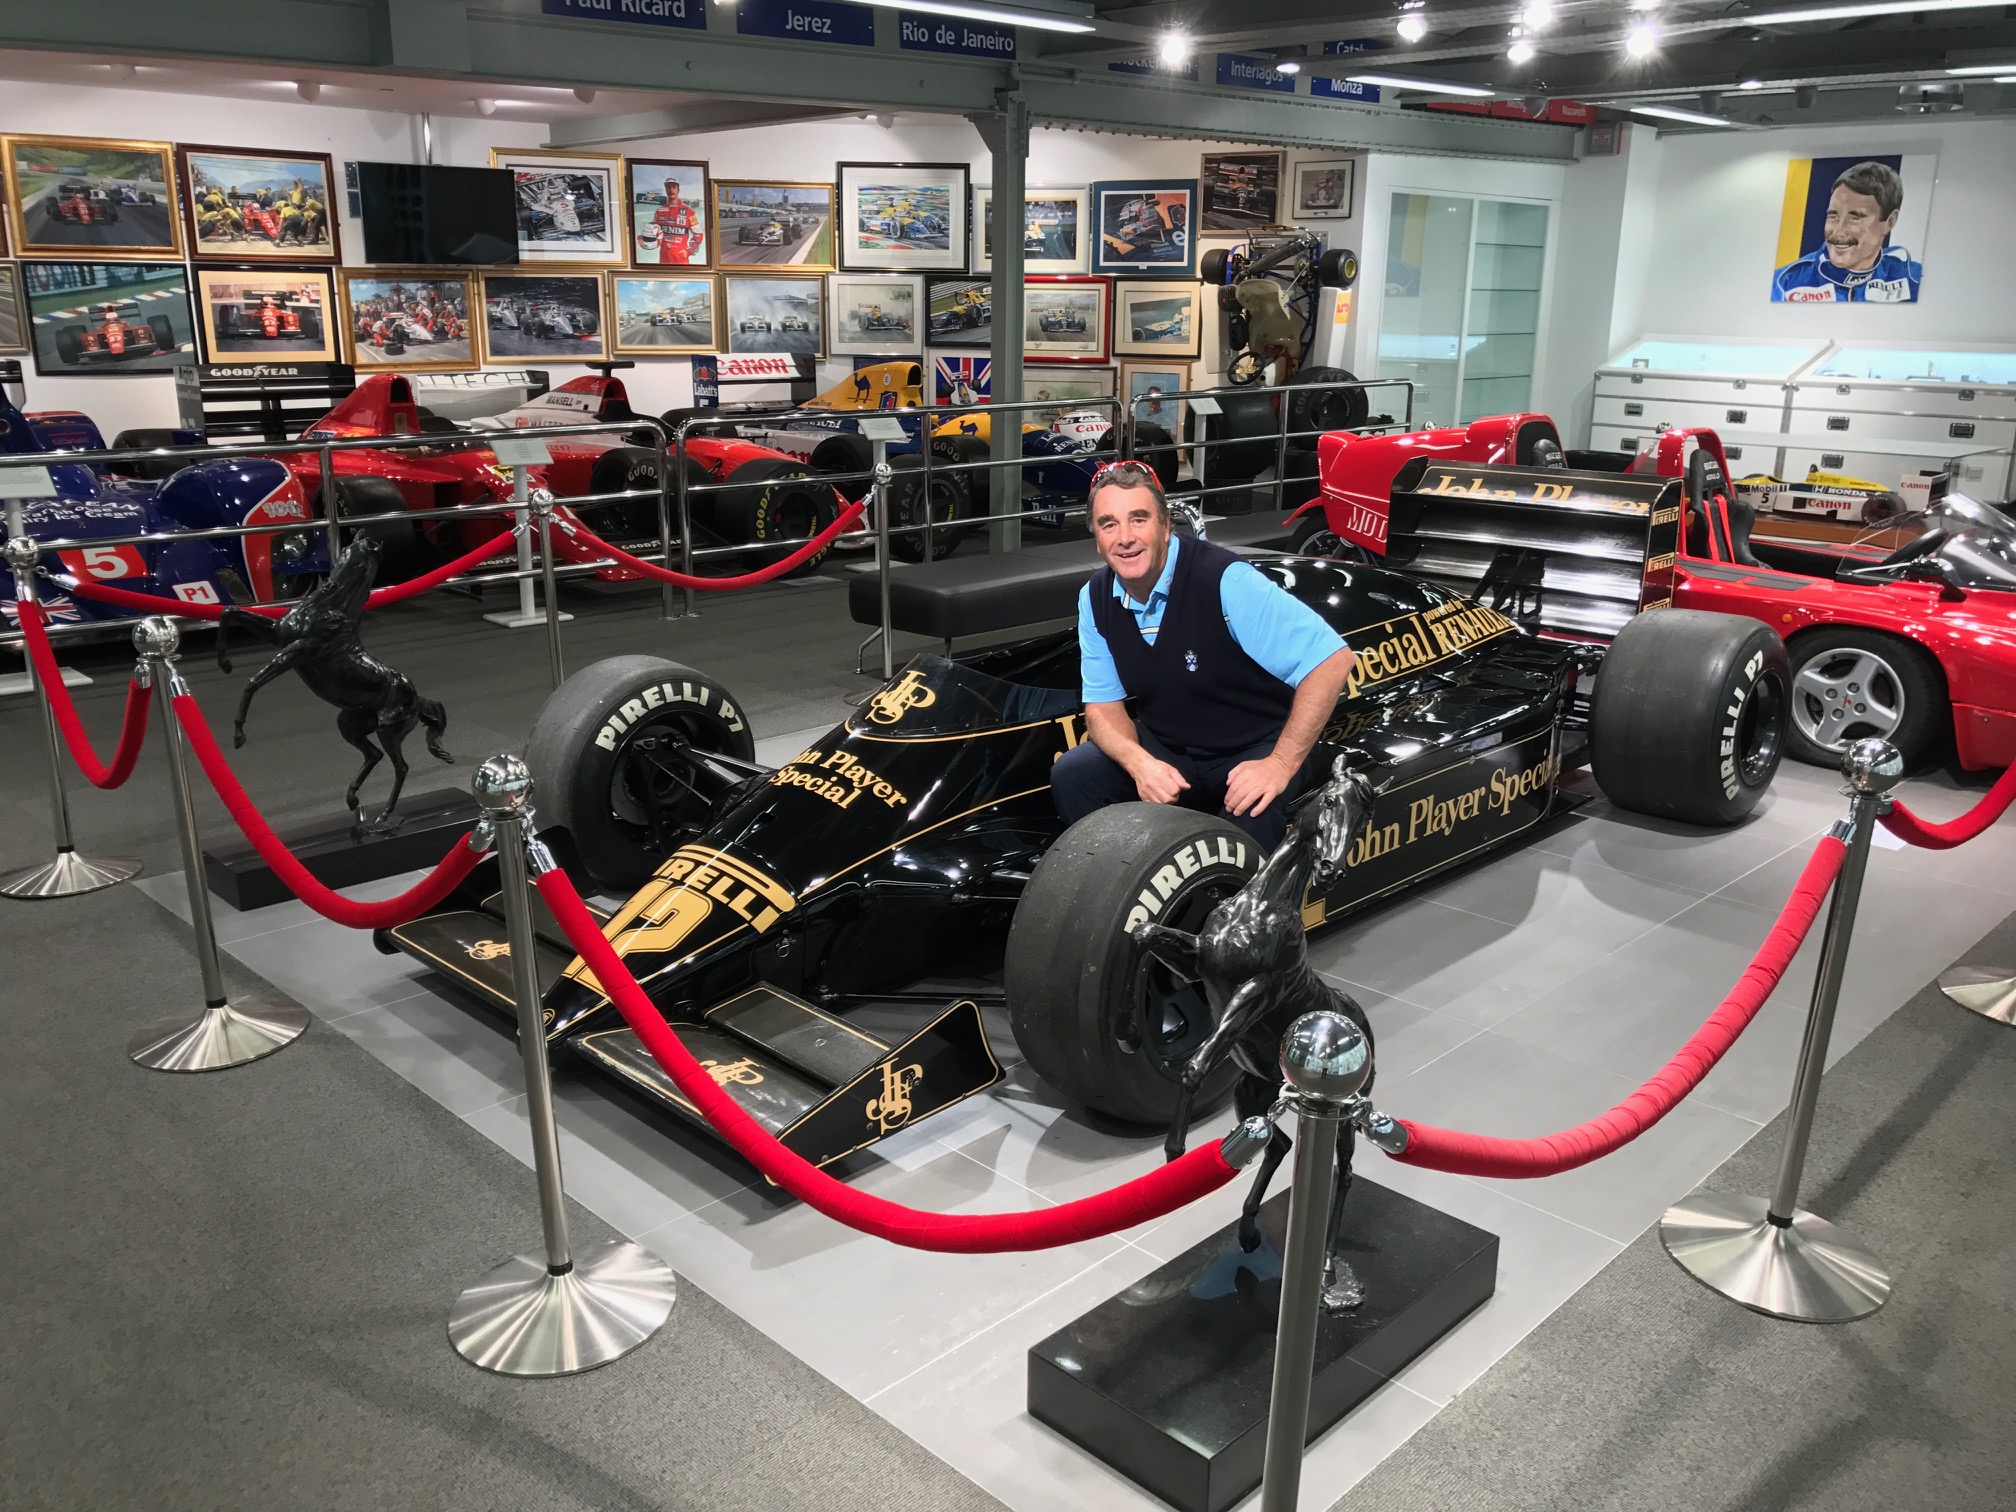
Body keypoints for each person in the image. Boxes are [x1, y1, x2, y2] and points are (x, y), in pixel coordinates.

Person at [1051, 462, 1356, 853]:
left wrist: (1279, 765)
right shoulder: (1094, 598)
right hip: (1170, 746)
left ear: (1165, 526)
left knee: (1252, 809)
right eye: (1109, 524)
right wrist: (1139, 763)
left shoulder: (1226, 580)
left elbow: (1332, 661)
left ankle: (1240, 912)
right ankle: (1123, 885)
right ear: (1097, 539)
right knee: (1074, 774)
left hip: (1251, 745)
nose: (1125, 538)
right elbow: (1102, 707)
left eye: (1138, 519)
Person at [1772, 161, 1922, 303]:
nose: (1838, 231)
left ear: (1889, 222)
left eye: (1855, 218)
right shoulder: (1784, 283)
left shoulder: (1913, 278)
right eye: (1833, 216)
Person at [649, 177, 702, 265]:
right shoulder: (659, 211)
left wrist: (689, 252)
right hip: (664, 258)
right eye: (668, 187)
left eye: (674, 187)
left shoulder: (689, 211)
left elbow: (699, 235)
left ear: (678, 190)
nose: (671, 190)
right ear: (665, 189)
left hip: (681, 258)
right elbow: (653, 232)